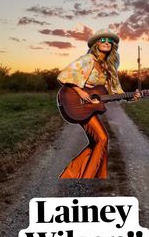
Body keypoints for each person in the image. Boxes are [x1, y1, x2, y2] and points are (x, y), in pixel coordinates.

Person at [57, 29, 140, 179]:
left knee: (98, 143)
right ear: (96, 44)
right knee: (102, 138)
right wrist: (79, 91)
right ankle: (88, 178)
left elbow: (116, 92)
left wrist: (131, 96)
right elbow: (65, 75)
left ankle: (73, 175)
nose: (107, 42)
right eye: (103, 40)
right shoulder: (88, 59)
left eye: (110, 41)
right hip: (76, 101)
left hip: (89, 107)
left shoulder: (109, 68)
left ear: (113, 46)